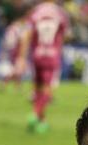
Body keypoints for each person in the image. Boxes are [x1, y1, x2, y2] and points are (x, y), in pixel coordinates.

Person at [16, 0, 69, 134]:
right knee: (47, 89)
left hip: (37, 54)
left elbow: (26, 35)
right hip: (51, 55)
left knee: (37, 88)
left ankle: (41, 121)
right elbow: (65, 35)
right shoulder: (60, 13)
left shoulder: (36, 12)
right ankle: (35, 114)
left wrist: (22, 57)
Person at [0, 11, 29, 93]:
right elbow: (21, 40)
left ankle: (17, 87)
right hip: (16, 51)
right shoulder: (18, 28)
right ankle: (3, 85)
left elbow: (7, 41)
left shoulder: (11, 28)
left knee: (18, 70)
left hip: (11, 50)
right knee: (16, 70)